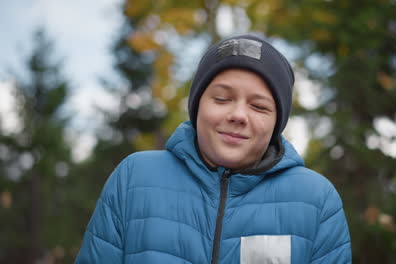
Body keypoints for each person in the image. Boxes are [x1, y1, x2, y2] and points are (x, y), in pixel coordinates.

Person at [75, 34, 351, 264]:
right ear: (197, 106)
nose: (239, 115)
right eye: (221, 98)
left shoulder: (318, 200)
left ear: (276, 122)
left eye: (258, 106)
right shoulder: (133, 178)